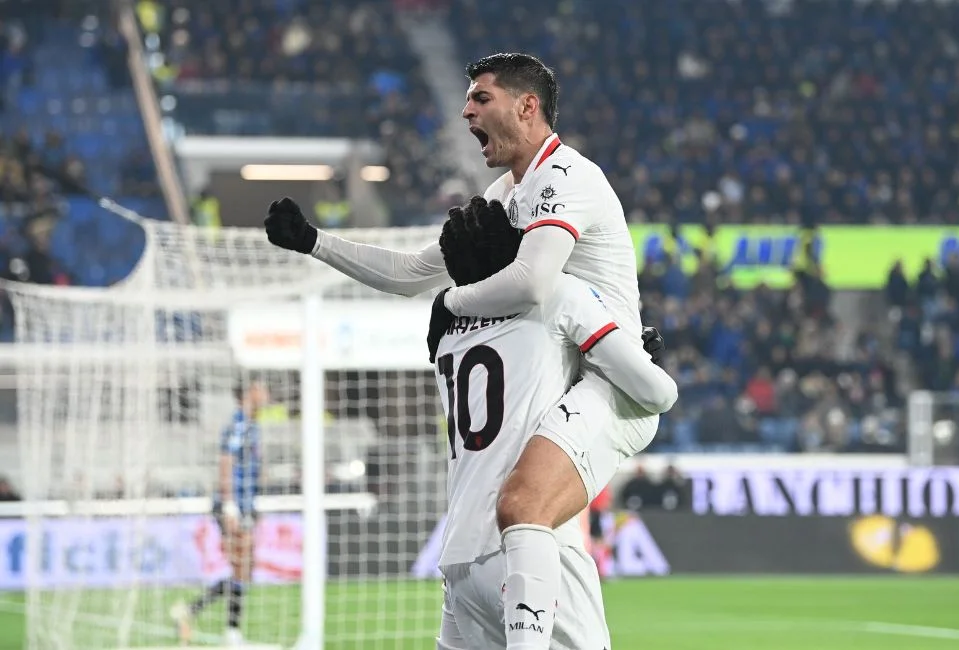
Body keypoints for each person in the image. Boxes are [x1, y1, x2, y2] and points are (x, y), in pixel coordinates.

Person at [265, 53, 659, 650]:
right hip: (557, 371)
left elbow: (533, 280)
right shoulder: (506, 193)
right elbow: (410, 271)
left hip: (611, 380)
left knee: (522, 503)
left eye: (480, 98)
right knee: (503, 520)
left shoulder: (569, 176)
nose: (466, 110)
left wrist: (453, 305)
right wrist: (316, 243)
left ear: (527, 106)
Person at [432, 199, 677, 650]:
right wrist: (637, 359)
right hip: (532, 548)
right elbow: (658, 393)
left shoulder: (447, 337)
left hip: (460, 560)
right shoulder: (553, 297)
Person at [171, 380, 268, 647]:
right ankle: (231, 633)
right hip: (233, 504)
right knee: (241, 566)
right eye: (261, 388)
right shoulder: (239, 424)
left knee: (244, 569)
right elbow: (226, 462)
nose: (266, 394)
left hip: (246, 503)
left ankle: (191, 612)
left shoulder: (253, 425)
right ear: (248, 393)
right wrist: (229, 505)